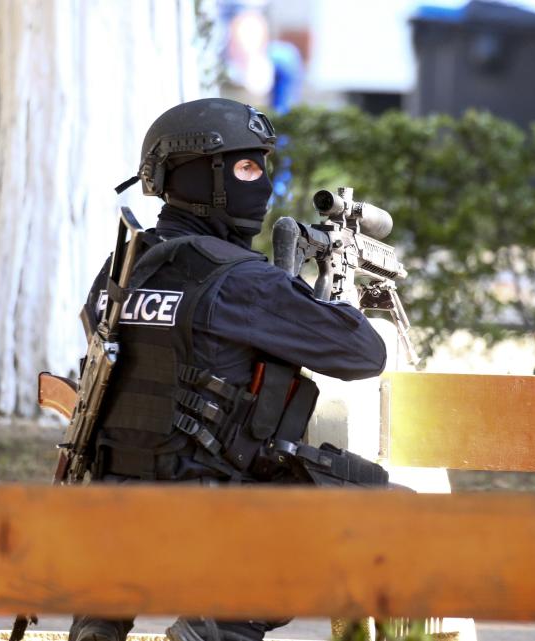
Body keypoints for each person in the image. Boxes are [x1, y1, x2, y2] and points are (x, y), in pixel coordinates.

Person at [68, 98, 388, 641]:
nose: (261, 183)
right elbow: (363, 352)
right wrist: (338, 293)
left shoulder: (124, 267)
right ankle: (213, 630)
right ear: (197, 175)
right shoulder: (240, 280)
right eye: (245, 166)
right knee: (387, 507)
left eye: (263, 165)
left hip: (112, 517)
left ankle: (98, 625)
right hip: (205, 519)